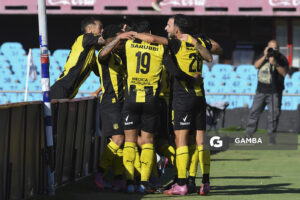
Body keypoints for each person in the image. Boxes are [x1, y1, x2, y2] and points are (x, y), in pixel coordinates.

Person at [133, 14, 212, 195]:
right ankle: (205, 181)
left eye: (168, 25)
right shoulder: (198, 42)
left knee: (181, 140)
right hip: (200, 97)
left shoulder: (176, 44)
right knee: (201, 141)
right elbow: (210, 57)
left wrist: (132, 34)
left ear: (177, 28)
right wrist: (196, 42)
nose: (166, 29)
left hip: (183, 98)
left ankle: (182, 184)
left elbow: (152, 38)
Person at [121, 20, 165, 194]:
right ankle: (144, 183)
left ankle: (130, 182)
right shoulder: (160, 48)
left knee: (130, 142)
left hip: (131, 96)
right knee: (148, 142)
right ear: (150, 32)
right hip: (151, 97)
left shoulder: (129, 44)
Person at [93, 25, 136, 191]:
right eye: (120, 39)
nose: (123, 42)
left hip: (121, 102)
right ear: (111, 40)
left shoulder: (119, 56)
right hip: (110, 103)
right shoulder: (104, 55)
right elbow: (103, 53)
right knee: (118, 140)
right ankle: (99, 172)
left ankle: (119, 178)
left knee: (120, 142)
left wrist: (127, 32)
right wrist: (119, 37)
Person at [245, 40, 288, 144]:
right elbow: (255, 65)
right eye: (271, 48)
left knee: (273, 115)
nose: (273, 50)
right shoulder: (263, 55)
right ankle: (248, 136)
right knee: (254, 113)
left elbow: (284, 73)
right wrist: (265, 56)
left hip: (275, 92)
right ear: (267, 47)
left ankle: (271, 138)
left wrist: (275, 64)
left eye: (275, 48)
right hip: (260, 91)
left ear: (278, 49)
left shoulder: (281, 58)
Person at [50, 17, 104, 99]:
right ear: (90, 29)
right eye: (100, 27)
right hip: (61, 89)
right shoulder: (85, 37)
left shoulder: (91, 56)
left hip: (69, 92)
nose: (102, 30)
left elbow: (102, 73)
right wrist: (119, 36)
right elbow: (104, 40)